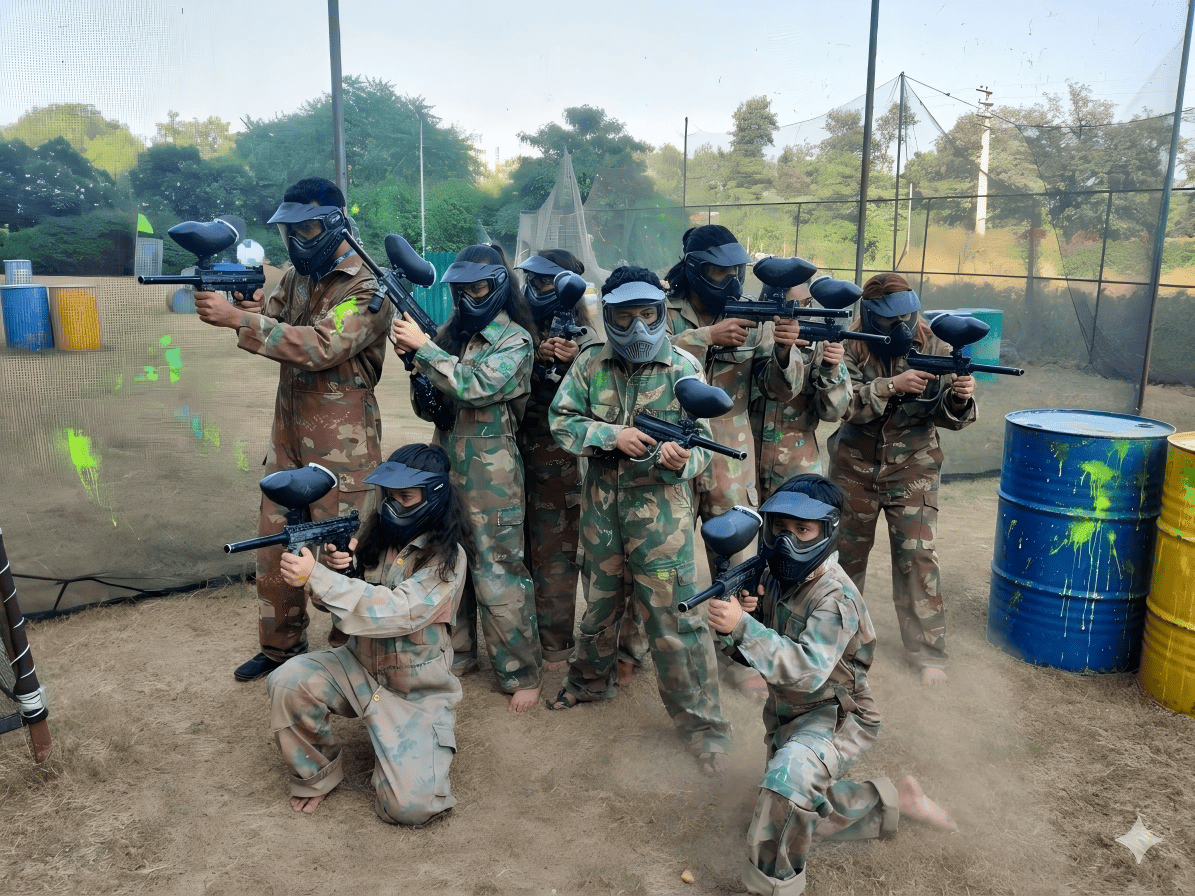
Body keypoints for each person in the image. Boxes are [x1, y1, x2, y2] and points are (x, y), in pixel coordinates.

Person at [706, 473, 958, 895]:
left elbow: (806, 669)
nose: (788, 541)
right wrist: (737, 624)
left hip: (837, 715)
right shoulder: (779, 579)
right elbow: (752, 653)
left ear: (827, 531)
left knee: (786, 789)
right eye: (780, 529)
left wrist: (744, 627)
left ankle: (772, 888)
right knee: (790, 812)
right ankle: (893, 802)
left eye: (802, 530)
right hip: (789, 713)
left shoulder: (835, 597)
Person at [193, 176, 392, 682]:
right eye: (290, 231)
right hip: (288, 436)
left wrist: (239, 319)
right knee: (275, 544)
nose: (296, 239)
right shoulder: (301, 275)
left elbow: (322, 344)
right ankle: (280, 648)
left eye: (305, 228)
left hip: (342, 446)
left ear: (332, 223)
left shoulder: (368, 285)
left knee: (342, 552)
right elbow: (275, 313)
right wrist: (246, 303)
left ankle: (351, 658)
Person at [545, 265, 732, 777]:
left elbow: (705, 451)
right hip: (602, 510)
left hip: (662, 519)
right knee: (600, 605)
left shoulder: (684, 368)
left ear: (660, 312)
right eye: (624, 318)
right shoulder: (590, 364)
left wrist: (681, 461)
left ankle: (704, 728)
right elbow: (561, 420)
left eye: (648, 315)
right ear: (608, 316)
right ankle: (587, 682)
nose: (638, 329)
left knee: (675, 623)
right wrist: (611, 436)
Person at [267, 443, 471, 824]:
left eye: (406, 496)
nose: (394, 504)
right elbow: (343, 612)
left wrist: (319, 577)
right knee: (288, 681)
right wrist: (339, 571)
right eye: (389, 495)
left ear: (435, 494)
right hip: (357, 666)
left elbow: (399, 612)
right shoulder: (375, 538)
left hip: (414, 689)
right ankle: (318, 776)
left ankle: (400, 748)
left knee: (411, 809)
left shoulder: (447, 557)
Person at [391, 242, 544, 713]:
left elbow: (477, 387)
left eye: (478, 287)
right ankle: (457, 651)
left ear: (498, 287)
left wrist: (425, 350)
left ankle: (521, 670)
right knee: (447, 557)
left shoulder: (515, 339)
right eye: (462, 290)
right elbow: (433, 402)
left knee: (498, 569)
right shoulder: (453, 335)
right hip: (447, 457)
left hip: (492, 467)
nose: (469, 297)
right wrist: (413, 363)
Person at [665, 225, 803, 699]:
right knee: (665, 554)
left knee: (738, 559)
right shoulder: (661, 313)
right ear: (693, 269)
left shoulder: (755, 316)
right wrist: (705, 336)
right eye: (717, 271)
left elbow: (780, 389)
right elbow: (645, 359)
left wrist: (784, 348)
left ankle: (740, 655)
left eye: (733, 272)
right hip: (674, 450)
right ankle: (653, 648)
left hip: (731, 451)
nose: (727, 281)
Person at [827, 273, 976, 686]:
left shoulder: (935, 344)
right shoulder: (851, 345)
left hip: (913, 469)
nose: (905, 326)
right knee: (844, 560)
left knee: (916, 557)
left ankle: (928, 653)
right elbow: (842, 405)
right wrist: (891, 385)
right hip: (854, 469)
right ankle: (839, 641)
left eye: (909, 315)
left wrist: (959, 398)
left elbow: (948, 417)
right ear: (871, 316)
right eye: (894, 319)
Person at [515, 249, 597, 672]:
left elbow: (599, 399)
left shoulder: (588, 336)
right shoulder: (518, 324)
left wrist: (570, 364)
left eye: (546, 283)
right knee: (517, 549)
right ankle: (523, 636)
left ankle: (556, 647)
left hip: (557, 460)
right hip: (513, 451)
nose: (536, 289)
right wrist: (535, 356)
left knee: (553, 555)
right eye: (533, 280)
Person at [749, 277, 851, 502]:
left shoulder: (817, 339)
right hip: (744, 459)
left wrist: (831, 368)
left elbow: (835, 412)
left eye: (806, 304)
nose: (802, 312)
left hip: (797, 467)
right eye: (795, 306)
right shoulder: (750, 334)